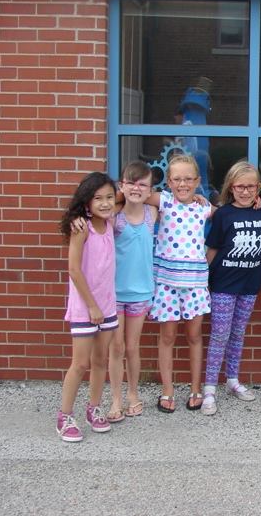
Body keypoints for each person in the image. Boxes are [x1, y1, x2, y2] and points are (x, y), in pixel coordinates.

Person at [201, 162, 261, 415]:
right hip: (223, 283)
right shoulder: (224, 214)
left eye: (251, 186)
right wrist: (202, 279)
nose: (245, 191)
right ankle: (209, 388)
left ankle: (232, 379)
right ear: (231, 188)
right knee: (220, 334)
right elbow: (213, 248)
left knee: (237, 333)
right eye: (240, 187)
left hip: (249, 284)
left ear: (258, 188)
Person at [147, 154, 213, 413]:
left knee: (194, 336)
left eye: (188, 179)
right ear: (169, 181)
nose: (182, 184)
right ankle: (167, 390)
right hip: (166, 283)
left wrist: (255, 204)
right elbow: (133, 195)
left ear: (197, 181)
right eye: (177, 179)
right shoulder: (163, 200)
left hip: (195, 284)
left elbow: (230, 216)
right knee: (167, 337)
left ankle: (196, 388)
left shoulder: (204, 207)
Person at [56, 172, 118, 442]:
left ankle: (94, 407)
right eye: (98, 198)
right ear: (87, 201)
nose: (105, 203)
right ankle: (64, 416)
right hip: (86, 307)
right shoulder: (82, 228)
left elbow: (133, 196)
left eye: (109, 197)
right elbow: (73, 269)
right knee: (80, 363)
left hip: (107, 305)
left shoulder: (110, 221)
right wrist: (92, 306)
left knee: (100, 360)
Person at [106, 161, 157, 422]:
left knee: (133, 347)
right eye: (131, 183)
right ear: (121, 185)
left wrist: (200, 200)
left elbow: (174, 200)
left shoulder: (153, 213)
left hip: (141, 293)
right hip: (114, 293)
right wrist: (118, 196)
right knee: (116, 347)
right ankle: (115, 398)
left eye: (142, 184)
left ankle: (133, 394)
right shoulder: (114, 217)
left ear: (150, 190)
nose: (136, 188)